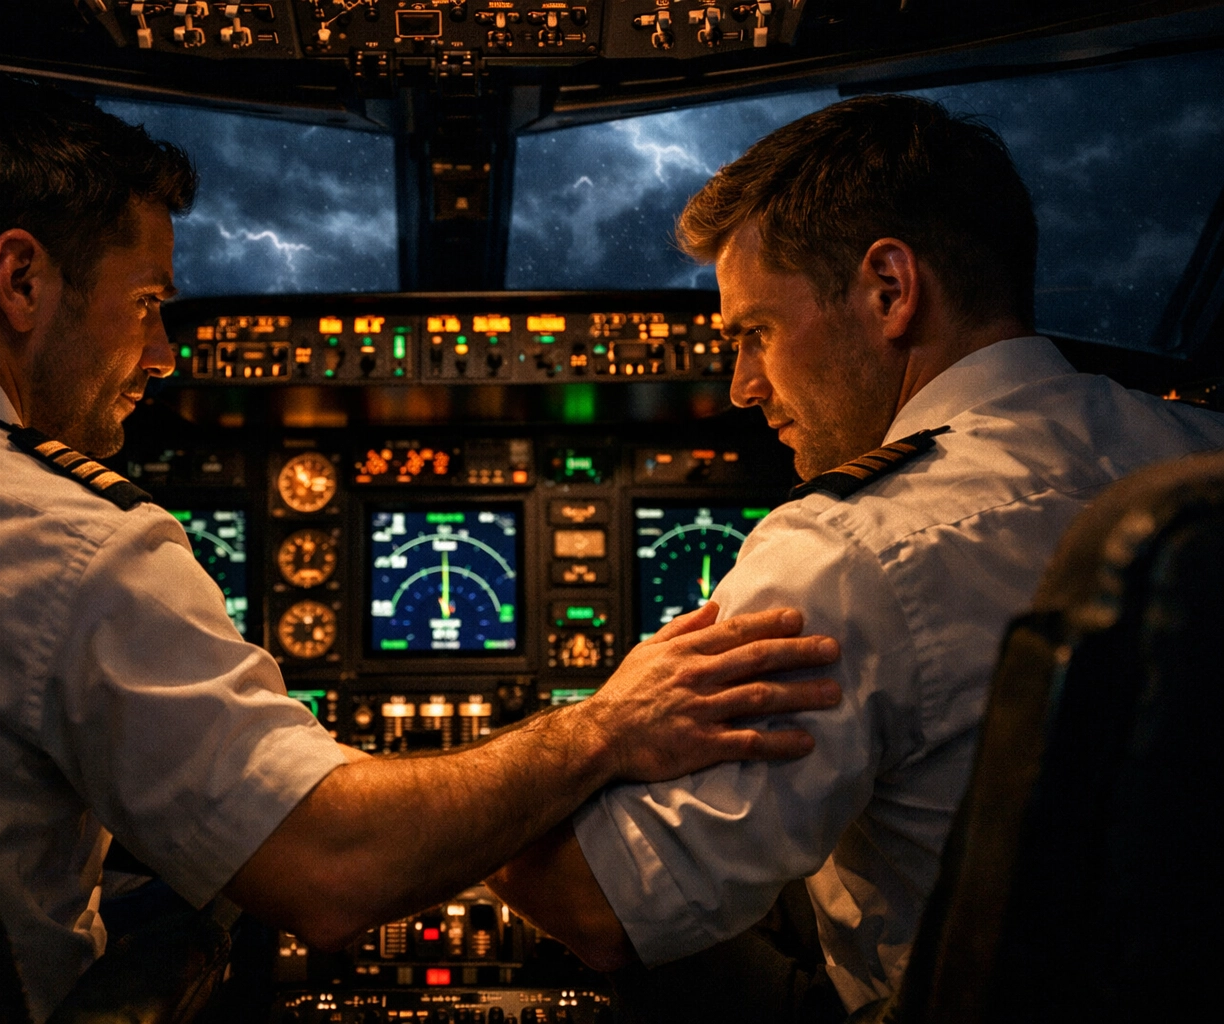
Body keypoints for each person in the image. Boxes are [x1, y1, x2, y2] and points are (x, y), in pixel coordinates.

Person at [0, 79, 846, 1021]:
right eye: (149, 306)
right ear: (22, 279)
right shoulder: (64, 540)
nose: (159, 359)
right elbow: (331, 876)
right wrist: (605, 722)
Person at [485, 93, 1224, 1021]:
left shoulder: (846, 552)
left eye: (754, 333)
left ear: (889, 289)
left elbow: (597, 909)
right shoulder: (1201, 453)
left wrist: (556, 745)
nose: (744, 388)